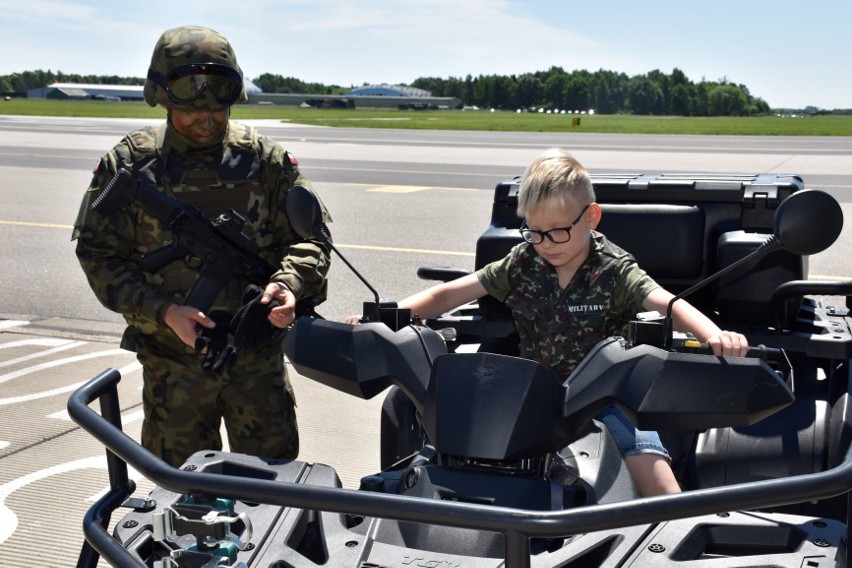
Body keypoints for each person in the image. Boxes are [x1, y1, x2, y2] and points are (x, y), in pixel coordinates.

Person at [351, 149, 749, 496]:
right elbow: (450, 294)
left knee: (655, 478)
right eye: (536, 232)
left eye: (557, 232)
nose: (545, 244)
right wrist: (389, 317)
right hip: (532, 396)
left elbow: (666, 303)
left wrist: (714, 335)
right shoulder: (523, 261)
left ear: (591, 216)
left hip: (604, 397)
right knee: (447, 460)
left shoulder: (613, 268)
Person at [72, 25, 332, 467]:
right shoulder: (130, 164)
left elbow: (311, 240)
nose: (206, 118)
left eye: (219, 106)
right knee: (181, 491)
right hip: (174, 367)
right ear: (161, 95)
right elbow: (98, 254)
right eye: (191, 107)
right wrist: (163, 312)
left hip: (256, 360)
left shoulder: (265, 161)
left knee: (273, 484)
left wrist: (289, 284)